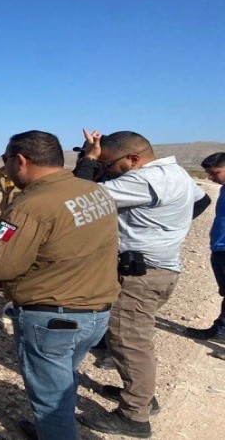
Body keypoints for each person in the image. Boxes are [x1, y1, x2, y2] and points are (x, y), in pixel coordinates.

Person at [0, 130, 119, 440]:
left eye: (6, 161)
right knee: (63, 383)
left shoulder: (30, 205)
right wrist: (1, 222)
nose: (6, 168)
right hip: (96, 313)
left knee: (50, 402)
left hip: (53, 318)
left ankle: (56, 431)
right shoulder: (93, 191)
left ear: (20, 160)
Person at [74, 129, 209, 438]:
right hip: (160, 270)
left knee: (129, 343)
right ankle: (142, 398)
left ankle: (135, 417)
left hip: (140, 277)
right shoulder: (175, 172)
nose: (107, 171)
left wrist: (88, 160)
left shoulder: (142, 180)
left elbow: (73, 196)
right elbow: (200, 201)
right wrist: (162, 231)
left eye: (109, 165)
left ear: (133, 159)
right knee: (133, 339)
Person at [186, 152, 225, 342]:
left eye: (215, 172)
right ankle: (221, 330)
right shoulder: (223, 189)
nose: (211, 177)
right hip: (219, 248)